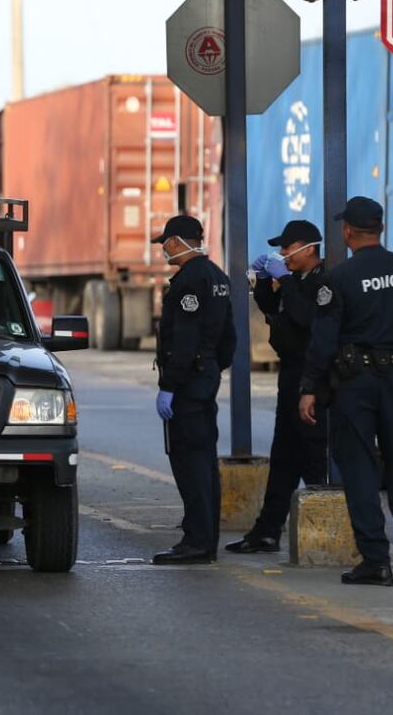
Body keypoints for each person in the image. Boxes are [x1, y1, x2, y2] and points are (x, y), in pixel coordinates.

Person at [299, 197, 393, 586]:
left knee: (360, 469)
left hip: (354, 386)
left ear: (347, 232)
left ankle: (376, 561)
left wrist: (309, 387)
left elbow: (323, 340)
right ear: (379, 228)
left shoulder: (338, 279)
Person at [227, 220, 328, 554]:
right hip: (290, 374)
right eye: (281, 249)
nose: (283, 254)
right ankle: (267, 530)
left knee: (313, 453)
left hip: (310, 377)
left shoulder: (320, 280)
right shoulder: (294, 280)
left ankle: (327, 526)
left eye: (288, 247)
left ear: (309, 248)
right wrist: (263, 281)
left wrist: (284, 279)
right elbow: (272, 310)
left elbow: (305, 318)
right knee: (284, 455)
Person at [151, 215, 236, 565]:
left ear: (175, 242)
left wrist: (170, 384)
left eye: (165, 244)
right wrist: (214, 368)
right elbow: (230, 337)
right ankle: (205, 536)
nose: (164, 250)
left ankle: (197, 541)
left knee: (190, 462)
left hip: (188, 382)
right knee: (205, 462)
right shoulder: (218, 276)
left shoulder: (188, 281)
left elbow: (184, 340)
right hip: (206, 376)